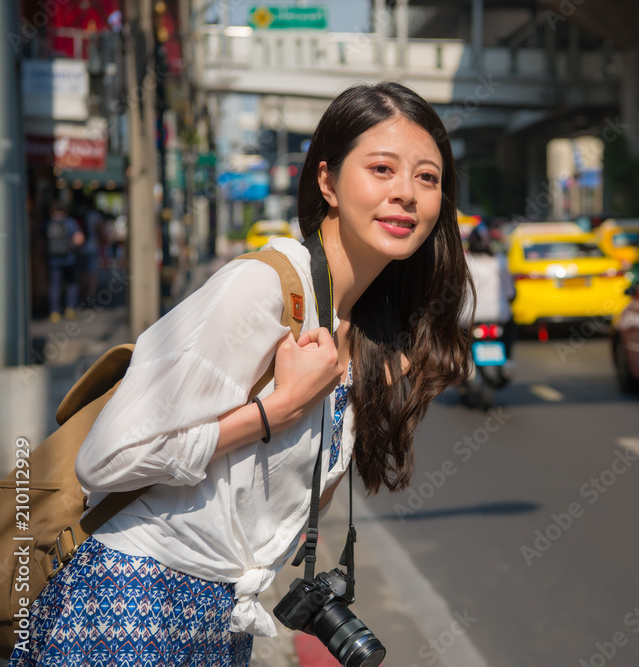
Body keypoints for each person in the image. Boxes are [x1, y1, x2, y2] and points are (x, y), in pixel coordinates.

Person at [11, 81, 472, 666]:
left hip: (220, 621)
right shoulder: (263, 287)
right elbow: (107, 457)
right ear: (327, 182)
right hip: (132, 609)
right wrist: (274, 412)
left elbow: (272, 507)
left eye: (427, 178)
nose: (405, 193)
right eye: (382, 169)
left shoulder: (360, 331)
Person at [460, 222, 517, 362]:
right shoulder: (500, 262)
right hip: (498, 317)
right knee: (513, 329)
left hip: (467, 320)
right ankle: (508, 359)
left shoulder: (462, 263)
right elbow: (511, 294)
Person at [44, 200, 84, 322]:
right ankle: (70, 308)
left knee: (54, 285)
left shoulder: (48, 223)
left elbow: (41, 241)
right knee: (71, 284)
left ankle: (55, 311)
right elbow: (79, 238)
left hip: (53, 260)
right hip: (68, 259)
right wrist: (73, 246)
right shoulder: (69, 222)